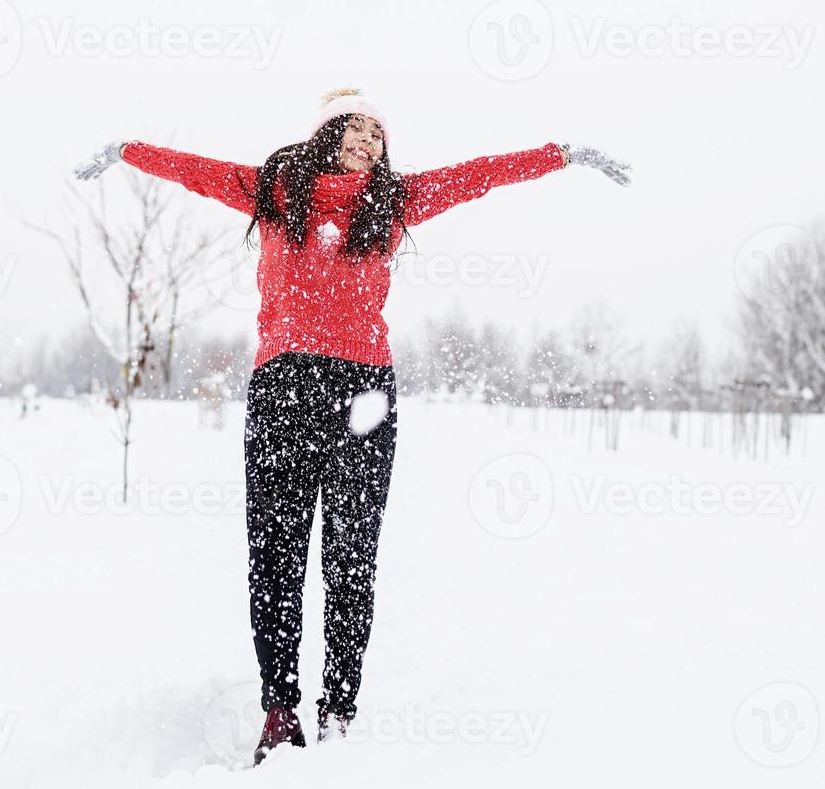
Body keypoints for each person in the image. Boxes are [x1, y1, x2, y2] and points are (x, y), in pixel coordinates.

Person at [73, 88, 632, 765]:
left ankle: (339, 710)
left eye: (379, 136)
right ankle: (279, 712)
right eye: (358, 130)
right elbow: (195, 169)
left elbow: (477, 176)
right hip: (283, 387)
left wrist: (561, 155)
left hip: (364, 394)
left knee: (351, 559)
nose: (370, 144)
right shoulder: (274, 191)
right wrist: (130, 151)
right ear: (327, 133)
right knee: (275, 557)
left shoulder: (393, 203)